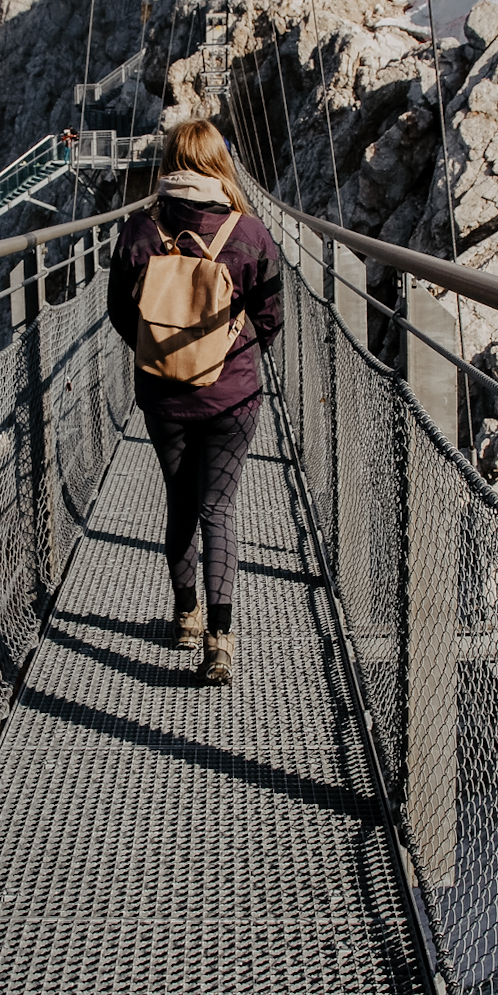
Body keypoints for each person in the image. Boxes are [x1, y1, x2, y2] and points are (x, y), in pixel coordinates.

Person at [107, 120, 281, 683]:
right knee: (218, 508)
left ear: (172, 161)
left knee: (180, 501)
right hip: (233, 396)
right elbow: (272, 316)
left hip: (162, 397)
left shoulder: (139, 229)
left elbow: (119, 314)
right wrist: (236, 349)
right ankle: (220, 640)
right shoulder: (249, 232)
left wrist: (161, 353)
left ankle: (185, 617)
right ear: (218, 163)